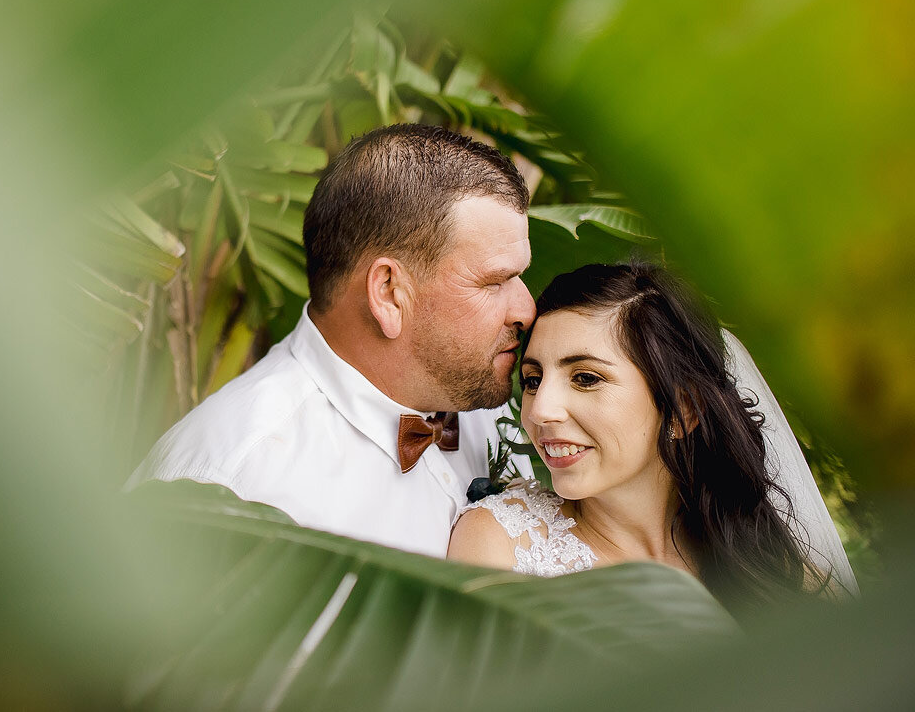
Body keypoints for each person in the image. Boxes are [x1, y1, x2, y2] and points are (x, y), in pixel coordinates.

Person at [126, 124, 536, 557]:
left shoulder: (482, 389)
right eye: (495, 282)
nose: (526, 309)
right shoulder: (230, 485)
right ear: (390, 294)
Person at [448, 262, 858, 609]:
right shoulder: (501, 546)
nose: (539, 410)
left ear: (683, 410)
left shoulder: (774, 571)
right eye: (533, 379)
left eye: (586, 378)